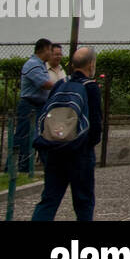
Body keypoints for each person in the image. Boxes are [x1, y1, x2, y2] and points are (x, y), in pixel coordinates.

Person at [30, 46, 103, 221]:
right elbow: (95, 124)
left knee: (49, 199)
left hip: (55, 148)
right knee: (83, 201)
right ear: (91, 64)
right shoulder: (91, 87)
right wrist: (89, 144)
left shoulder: (60, 84)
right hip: (80, 151)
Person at [9, 39, 56, 173]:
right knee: (24, 137)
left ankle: (41, 166)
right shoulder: (33, 65)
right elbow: (44, 84)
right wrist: (61, 84)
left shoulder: (40, 65)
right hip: (30, 105)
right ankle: (19, 167)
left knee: (39, 135)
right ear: (44, 49)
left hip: (39, 105)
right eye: (50, 51)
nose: (51, 54)